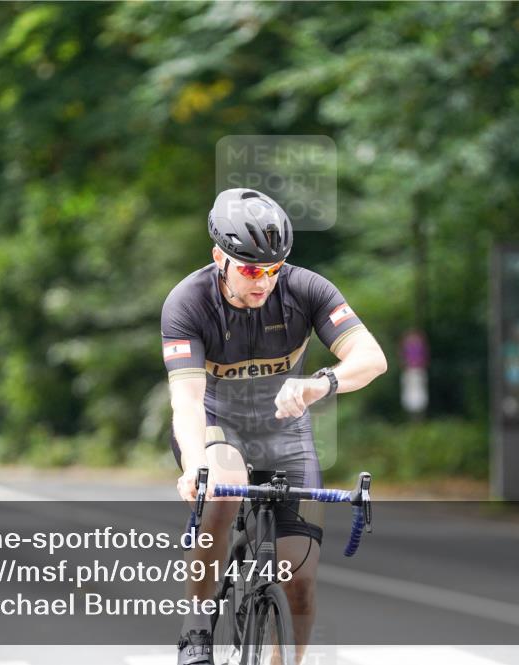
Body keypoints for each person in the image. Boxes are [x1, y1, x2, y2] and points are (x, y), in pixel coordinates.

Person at [163, 188, 387, 665]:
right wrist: (194, 467)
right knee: (223, 492)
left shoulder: (306, 289)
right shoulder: (188, 302)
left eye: (273, 268)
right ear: (218, 257)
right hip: (217, 426)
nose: (263, 280)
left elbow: (372, 359)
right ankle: (198, 624)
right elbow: (186, 401)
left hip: (285, 434)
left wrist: (320, 383)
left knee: (301, 582)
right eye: (249, 268)